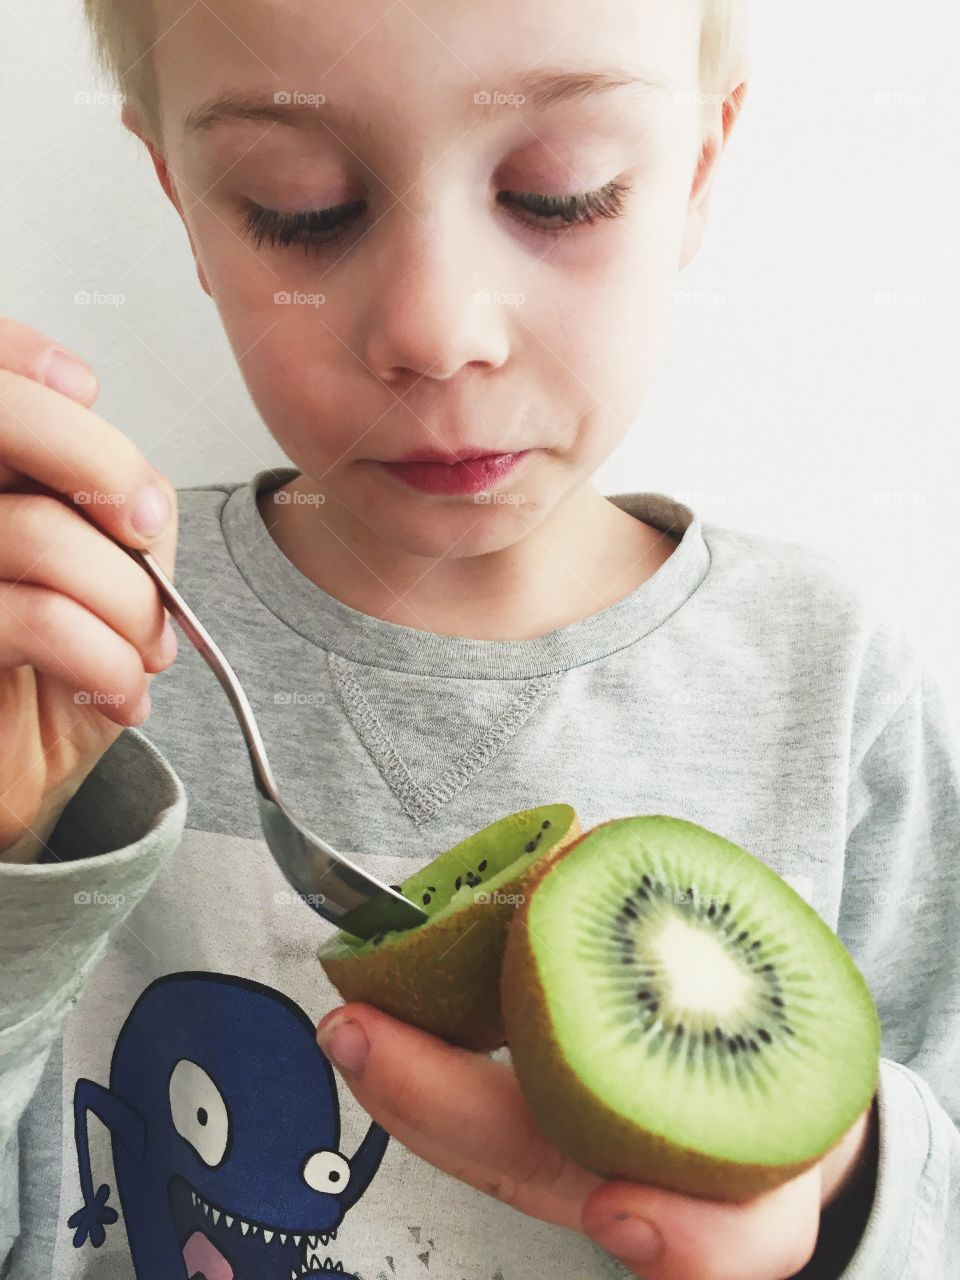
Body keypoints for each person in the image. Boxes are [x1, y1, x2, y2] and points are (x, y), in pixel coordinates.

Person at [1, 1, 957, 1276]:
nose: (437, 330)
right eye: (302, 208)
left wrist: (842, 1187)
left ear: (697, 173)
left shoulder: (831, 681)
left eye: (563, 195)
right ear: (181, 199)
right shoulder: (67, 667)